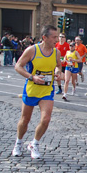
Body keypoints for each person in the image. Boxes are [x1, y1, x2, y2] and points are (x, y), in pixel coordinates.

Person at [12, 25, 62, 159]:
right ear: (44, 38)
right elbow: (18, 66)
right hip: (32, 89)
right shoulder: (32, 50)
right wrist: (31, 77)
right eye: (54, 37)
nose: (56, 40)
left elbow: (58, 65)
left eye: (57, 37)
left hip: (47, 90)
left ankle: (34, 143)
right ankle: (18, 142)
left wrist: (58, 73)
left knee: (46, 119)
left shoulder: (56, 52)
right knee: (25, 120)